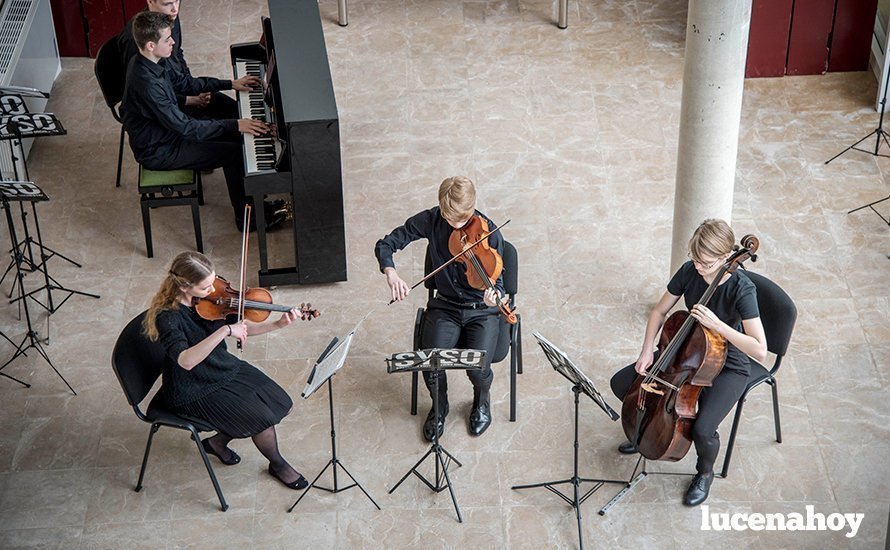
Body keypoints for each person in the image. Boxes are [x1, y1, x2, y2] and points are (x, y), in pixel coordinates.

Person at [609, 219, 768, 506]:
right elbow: (659, 311)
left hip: (728, 364)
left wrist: (719, 326)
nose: (698, 266)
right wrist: (647, 351)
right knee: (624, 383)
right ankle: (647, 432)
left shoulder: (742, 290)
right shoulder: (690, 270)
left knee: (702, 429)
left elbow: (760, 351)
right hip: (686, 352)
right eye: (694, 259)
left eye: (705, 263)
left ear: (724, 258)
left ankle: (704, 473)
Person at [142, 251, 313, 489]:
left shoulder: (213, 298)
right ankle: (278, 464)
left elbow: (238, 327)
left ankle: (216, 443)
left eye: (213, 283)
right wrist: (223, 332)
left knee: (279, 402)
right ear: (184, 287)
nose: (212, 291)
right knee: (262, 420)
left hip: (221, 367)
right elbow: (186, 361)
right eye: (205, 288)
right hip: (191, 387)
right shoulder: (168, 318)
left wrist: (277, 324)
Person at [121, 11, 283, 232]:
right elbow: (186, 128)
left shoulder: (154, 61)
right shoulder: (147, 83)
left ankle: (257, 188)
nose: (173, 42)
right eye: (167, 39)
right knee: (233, 153)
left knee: (224, 117)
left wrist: (231, 83)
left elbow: (186, 83)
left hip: (168, 131)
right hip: (160, 148)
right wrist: (236, 124)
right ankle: (248, 219)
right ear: (150, 45)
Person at [375, 176, 506, 441]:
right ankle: (440, 406)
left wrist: (496, 297)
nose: (454, 226)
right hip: (444, 307)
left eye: (459, 220)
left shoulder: (489, 232)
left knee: (477, 366)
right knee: (430, 362)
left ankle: (481, 401)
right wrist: (391, 273)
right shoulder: (433, 219)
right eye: (448, 219)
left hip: (482, 309)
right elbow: (386, 243)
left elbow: (500, 285)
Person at [116, 0, 240, 119]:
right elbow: (148, 93)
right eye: (167, 3)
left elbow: (177, 53)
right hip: (164, 107)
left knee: (236, 109)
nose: (175, 9)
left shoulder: (168, 16)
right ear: (149, 1)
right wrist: (188, 99)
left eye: (177, 1)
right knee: (229, 130)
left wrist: (191, 87)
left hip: (178, 89)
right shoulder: (136, 44)